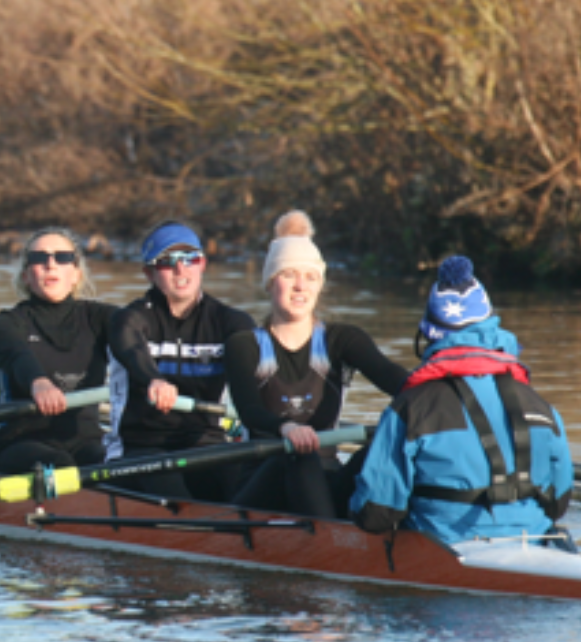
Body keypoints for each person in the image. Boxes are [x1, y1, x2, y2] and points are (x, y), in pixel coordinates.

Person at [351, 256, 572, 545]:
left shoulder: (409, 410)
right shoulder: (543, 409)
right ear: (492, 328)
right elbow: (558, 504)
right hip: (530, 542)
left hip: (444, 551)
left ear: (428, 335)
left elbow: (374, 514)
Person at [224, 210, 408, 518]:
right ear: (270, 284)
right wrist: (287, 427)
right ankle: (330, 548)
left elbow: (397, 380)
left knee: (387, 448)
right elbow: (250, 412)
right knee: (298, 454)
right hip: (263, 483)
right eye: (288, 275)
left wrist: (441, 396)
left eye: (310, 277)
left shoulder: (343, 340)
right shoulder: (244, 345)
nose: (300, 286)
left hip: (325, 480)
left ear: (320, 286)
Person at [105, 221, 255, 499]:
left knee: (246, 482)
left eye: (190, 258)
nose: (180, 268)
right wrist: (154, 379)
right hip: (139, 448)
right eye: (167, 261)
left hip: (204, 444)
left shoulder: (232, 322)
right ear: (149, 273)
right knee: (170, 488)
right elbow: (131, 347)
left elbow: (258, 373)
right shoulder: (129, 319)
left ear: (203, 264)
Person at [0, 228, 114, 475]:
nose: (50, 265)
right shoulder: (4, 324)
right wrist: (39, 383)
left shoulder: (101, 318)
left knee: (111, 464)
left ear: (76, 274)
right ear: (25, 275)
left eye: (62, 257)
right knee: (61, 465)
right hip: (21, 442)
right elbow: (18, 356)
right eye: (39, 258)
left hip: (86, 440)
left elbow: (138, 337)